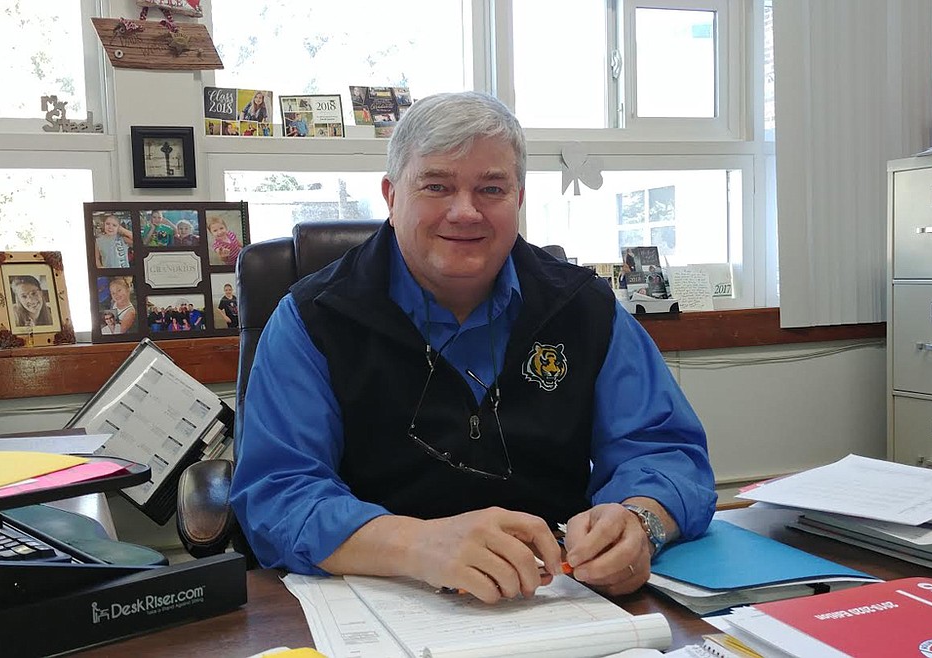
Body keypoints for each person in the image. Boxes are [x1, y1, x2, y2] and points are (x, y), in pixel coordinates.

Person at [230, 91, 716, 603]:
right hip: (380, 603)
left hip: (559, 602)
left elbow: (666, 450)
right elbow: (277, 494)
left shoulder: (584, 308)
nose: (465, 212)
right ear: (392, 196)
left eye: (491, 189)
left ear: (519, 200)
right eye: (436, 186)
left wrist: (640, 522)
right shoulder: (313, 319)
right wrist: (414, 543)